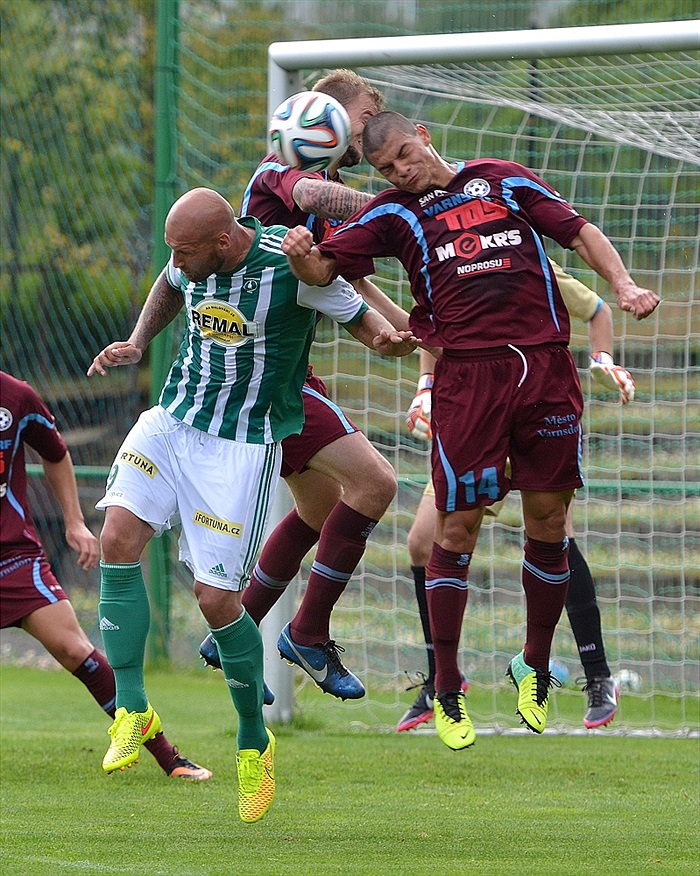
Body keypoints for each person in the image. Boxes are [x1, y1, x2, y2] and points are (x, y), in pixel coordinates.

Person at [281, 111, 659, 751]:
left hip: (545, 369)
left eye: (405, 154)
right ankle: (449, 688)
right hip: (466, 384)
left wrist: (621, 284)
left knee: (548, 519)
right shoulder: (393, 215)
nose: (402, 171)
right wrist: (301, 260)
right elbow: (325, 271)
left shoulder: (504, 181)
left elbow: (580, 232)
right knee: (456, 529)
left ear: (424, 136)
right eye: (386, 168)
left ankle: (534, 667)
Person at [87, 187, 416, 821]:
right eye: (171, 252)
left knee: (217, 602)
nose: (176, 264)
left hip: (239, 448)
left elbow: (374, 330)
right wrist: (135, 341)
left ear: (223, 241)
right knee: (118, 540)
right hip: (171, 421)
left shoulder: (294, 270)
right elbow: (167, 286)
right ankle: (131, 707)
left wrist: (401, 341)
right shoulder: (189, 263)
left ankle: (251, 741)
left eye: (185, 252)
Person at [200, 70, 415, 701]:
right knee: (375, 482)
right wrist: (411, 203)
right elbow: (319, 206)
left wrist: (405, 327)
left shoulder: (329, 186)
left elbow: (341, 276)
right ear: (327, 115)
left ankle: (233, 630)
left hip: (282, 368)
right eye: (369, 110)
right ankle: (308, 633)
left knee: (321, 510)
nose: (375, 121)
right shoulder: (280, 173)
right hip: (262, 377)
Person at [398, 264, 634, 733]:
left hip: (528, 418)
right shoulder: (450, 265)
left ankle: (597, 677)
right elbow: (430, 328)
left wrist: (602, 358)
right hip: (473, 421)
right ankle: (443, 679)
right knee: (423, 543)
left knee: (555, 535)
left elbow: (598, 309)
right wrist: (425, 391)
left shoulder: (537, 267)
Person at [0, 370, 211, 780]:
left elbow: (56, 453)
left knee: (75, 650)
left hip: (12, 558)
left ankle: (168, 757)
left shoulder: (16, 397)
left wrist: (75, 523)